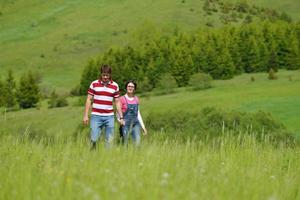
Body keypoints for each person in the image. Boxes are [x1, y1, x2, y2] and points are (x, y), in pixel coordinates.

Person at [83, 64, 124, 149]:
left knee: (109, 140)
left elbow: (117, 102)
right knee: (94, 138)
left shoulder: (115, 86)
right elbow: (89, 99)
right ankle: (92, 155)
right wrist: (86, 115)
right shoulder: (94, 84)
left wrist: (121, 117)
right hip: (96, 116)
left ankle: (107, 158)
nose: (105, 77)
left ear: (110, 75)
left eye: (107, 75)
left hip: (109, 117)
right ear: (101, 74)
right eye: (103, 75)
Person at [118, 80, 147, 147]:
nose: (130, 88)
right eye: (129, 86)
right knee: (125, 144)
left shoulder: (136, 99)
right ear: (126, 87)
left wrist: (143, 127)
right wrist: (120, 121)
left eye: (132, 86)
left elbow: (138, 114)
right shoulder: (121, 99)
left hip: (135, 124)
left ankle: (137, 156)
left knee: (137, 143)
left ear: (134, 89)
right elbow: (118, 112)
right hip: (125, 124)